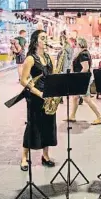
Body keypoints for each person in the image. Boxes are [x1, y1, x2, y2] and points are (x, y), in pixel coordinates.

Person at [20, 30, 57, 171]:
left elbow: (52, 77)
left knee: (48, 126)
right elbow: (23, 81)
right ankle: (24, 158)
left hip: (48, 97)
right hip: (35, 98)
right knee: (32, 127)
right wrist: (39, 93)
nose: (46, 40)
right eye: (43, 37)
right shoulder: (30, 59)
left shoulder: (49, 58)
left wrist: (54, 93)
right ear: (36, 41)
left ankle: (45, 156)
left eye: (46, 37)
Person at [66, 37, 101, 125]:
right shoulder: (83, 53)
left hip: (82, 80)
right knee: (75, 97)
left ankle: (100, 117)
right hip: (81, 79)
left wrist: (76, 76)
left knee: (86, 98)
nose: (75, 45)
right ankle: (72, 116)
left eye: (77, 43)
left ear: (80, 44)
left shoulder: (83, 54)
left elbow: (85, 68)